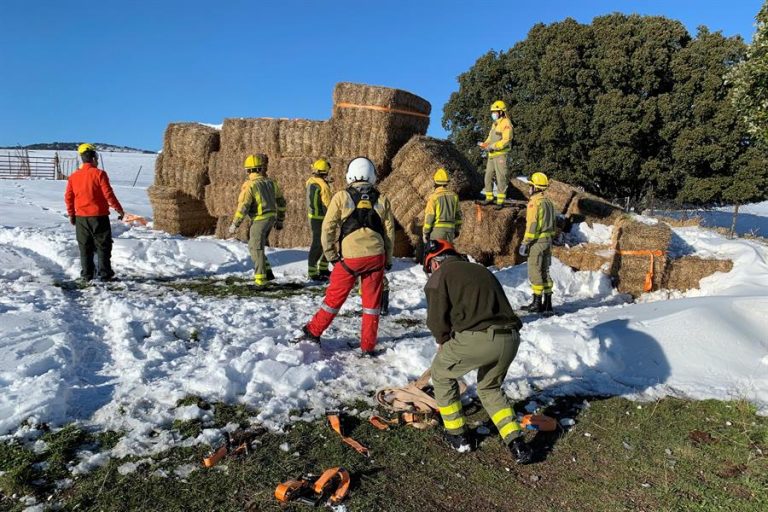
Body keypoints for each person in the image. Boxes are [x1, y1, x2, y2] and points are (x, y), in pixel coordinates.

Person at [423, 239, 533, 464]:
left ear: (434, 263)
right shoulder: (480, 270)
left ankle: (458, 435)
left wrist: (442, 340)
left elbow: (436, 320)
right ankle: (516, 442)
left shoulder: (440, 275)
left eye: (429, 268)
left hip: (479, 338)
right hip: (510, 338)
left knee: (441, 373)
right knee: (489, 388)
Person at [299, 157, 395, 355]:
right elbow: (389, 233)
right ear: (372, 176)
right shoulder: (382, 199)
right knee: (371, 306)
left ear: (350, 175)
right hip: (376, 257)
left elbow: (328, 228)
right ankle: (367, 346)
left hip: (350, 259)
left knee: (333, 299)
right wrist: (388, 259)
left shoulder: (341, 197)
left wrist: (331, 255)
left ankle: (313, 331)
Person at [64, 143, 124, 283]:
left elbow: (68, 197)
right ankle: (105, 275)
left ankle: (87, 275)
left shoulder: (73, 177)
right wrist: (119, 209)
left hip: (81, 218)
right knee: (103, 246)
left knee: (85, 247)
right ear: (93, 158)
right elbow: (108, 194)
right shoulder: (99, 174)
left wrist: (71, 214)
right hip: (99, 217)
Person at [229, 154, 286, 286]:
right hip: (271, 219)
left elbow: (243, 206)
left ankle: (260, 280)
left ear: (248, 170)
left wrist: (235, 224)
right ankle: (268, 272)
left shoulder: (250, 185)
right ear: (260, 169)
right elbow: (281, 202)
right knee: (254, 246)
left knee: (256, 248)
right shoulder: (271, 183)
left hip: (260, 220)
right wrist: (280, 219)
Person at [518, 172, 556, 314]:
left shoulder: (534, 203)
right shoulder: (549, 202)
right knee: (545, 271)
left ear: (535, 188)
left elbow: (532, 225)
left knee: (535, 271)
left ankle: (536, 303)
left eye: (530, 186)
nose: (529, 189)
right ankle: (548, 303)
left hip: (537, 241)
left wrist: (525, 242)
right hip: (548, 241)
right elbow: (554, 223)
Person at [478, 100, 513, 210]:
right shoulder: (495, 124)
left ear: (501, 112)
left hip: (501, 155)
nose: (493, 114)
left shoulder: (506, 123)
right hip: (491, 155)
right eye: (492, 112)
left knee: (501, 177)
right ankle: (489, 197)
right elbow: (490, 138)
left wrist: (493, 146)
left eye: (495, 111)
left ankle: (500, 201)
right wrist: (485, 144)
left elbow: (506, 140)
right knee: (487, 176)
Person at [306, 158, 333, 281]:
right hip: (321, 217)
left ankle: (322, 268)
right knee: (320, 243)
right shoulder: (323, 186)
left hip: (313, 217)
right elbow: (328, 204)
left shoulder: (310, 181)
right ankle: (313, 272)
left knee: (322, 243)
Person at [422, 167, 462, 244]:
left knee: (435, 251)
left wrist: (425, 232)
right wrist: (457, 230)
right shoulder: (454, 196)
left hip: (437, 231)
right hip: (450, 231)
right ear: (447, 183)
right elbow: (458, 216)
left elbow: (430, 216)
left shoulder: (434, 197)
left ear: (435, 183)